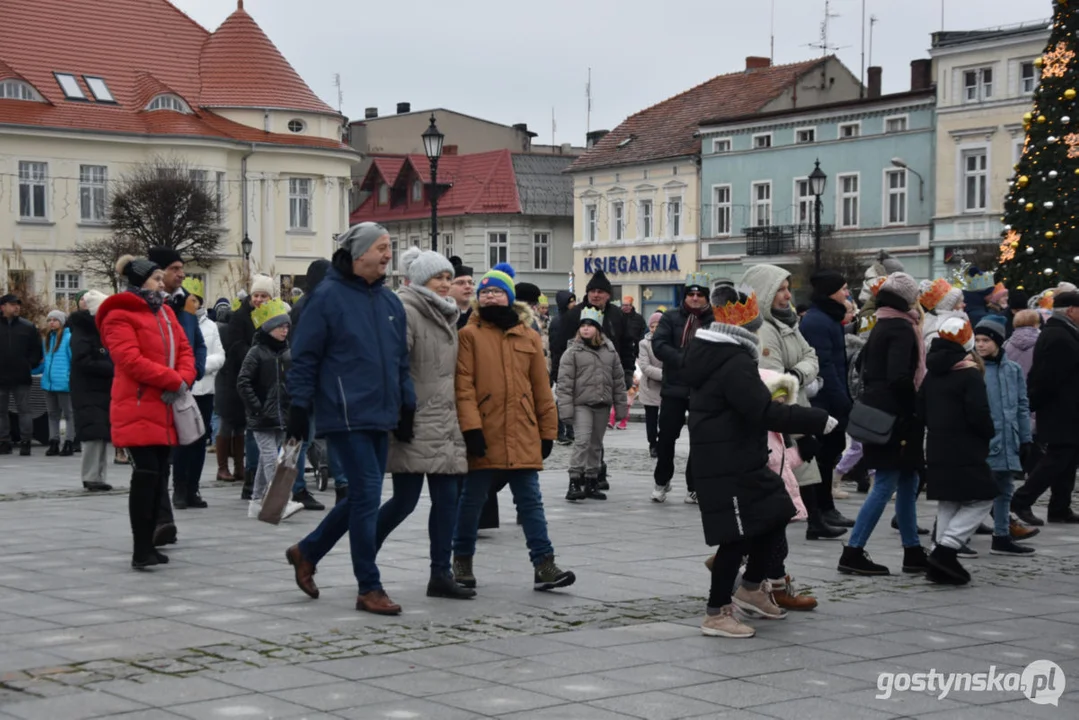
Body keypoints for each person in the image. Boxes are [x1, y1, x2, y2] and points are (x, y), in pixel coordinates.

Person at [682, 285, 834, 638]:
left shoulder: (725, 354)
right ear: (747, 329)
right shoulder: (732, 360)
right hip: (725, 459)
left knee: (776, 512)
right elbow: (761, 411)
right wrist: (815, 420)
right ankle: (716, 613)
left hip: (740, 455)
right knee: (735, 537)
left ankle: (751, 588)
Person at [284, 222, 416, 615]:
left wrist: (407, 405)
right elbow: (304, 359)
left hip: (381, 413)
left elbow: (400, 361)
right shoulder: (325, 298)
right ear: (358, 254)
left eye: (389, 246)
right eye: (381, 247)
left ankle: (306, 552)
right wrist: (298, 408)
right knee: (367, 497)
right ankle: (368, 587)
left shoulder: (391, 302)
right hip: (343, 412)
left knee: (362, 497)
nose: (388, 254)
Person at [452, 263, 575, 593]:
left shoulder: (529, 336)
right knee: (472, 502)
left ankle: (544, 566)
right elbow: (463, 388)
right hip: (485, 432)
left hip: (522, 431)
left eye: (497, 291)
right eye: (485, 291)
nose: (490, 296)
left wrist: (548, 431)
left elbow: (541, 388)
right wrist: (471, 429)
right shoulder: (468, 335)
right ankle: (461, 562)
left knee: (531, 502)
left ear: (509, 297)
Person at [377, 249, 474, 600]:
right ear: (421, 281)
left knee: (447, 499)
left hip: (443, 420)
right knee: (404, 501)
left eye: (449, 278)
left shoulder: (445, 313)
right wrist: (402, 412)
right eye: (439, 278)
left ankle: (440, 574)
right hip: (414, 418)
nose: (446, 284)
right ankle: (364, 559)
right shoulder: (407, 310)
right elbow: (395, 364)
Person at [97, 255, 196, 569]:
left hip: (165, 405)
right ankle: (141, 547)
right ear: (140, 282)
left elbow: (185, 350)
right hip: (137, 404)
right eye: (155, 278)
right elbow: (129, 360)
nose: (161, 282)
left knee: (158, 476)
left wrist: (183, 378)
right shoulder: (120, 315)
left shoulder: (165, 312)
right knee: (146, 475)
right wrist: (173, 379)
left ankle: (150, 545)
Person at [742, 264, 846, 538]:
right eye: (781, 290)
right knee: (790, 470)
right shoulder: (764, 329)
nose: (788, 296)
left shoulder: (787, 322)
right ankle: (788, 527)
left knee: (806, 469)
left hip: (798, 404)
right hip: (783, 416)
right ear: (765, 292)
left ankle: (815, 520)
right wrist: (799, 430)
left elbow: (812, 356)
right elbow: (775, 382)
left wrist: (797, 373)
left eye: (788, 289)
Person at [837, 273, 929, 576]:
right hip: (897, 418)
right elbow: (899, 377)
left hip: (885, 413)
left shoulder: (884, 323)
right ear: (907, 298)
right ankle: (853, 551)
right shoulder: (902, 328)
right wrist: (919, 403)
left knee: (907, 481)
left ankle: (913, 550)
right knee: (887, 482)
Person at [920, 318, 998, 584]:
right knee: (983, 497)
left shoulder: (933, 371)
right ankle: (947, 548)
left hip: (938, 444)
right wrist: (988, 432)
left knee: (950, 501)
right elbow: (978, 414)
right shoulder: (968, 373)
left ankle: (938, 559)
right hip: (965, 447)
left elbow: (921, 408)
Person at [1011, 290, 1079, 525]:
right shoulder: (1059, 336)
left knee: (1068, 459)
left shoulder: (1063, 332)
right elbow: (1047, 378)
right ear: (1071, 310)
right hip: (1061, 409)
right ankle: (1022, 499)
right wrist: (1035, 404)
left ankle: (1060, 508)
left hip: (1067, 409)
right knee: (1056, 459)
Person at [974, 316, 1037, 556]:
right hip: (986, 438)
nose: (981, 345)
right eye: (978, 340)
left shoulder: (1013, 369)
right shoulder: (975, 368)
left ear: (998, 342)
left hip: (1008, 438)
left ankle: (1001, 535)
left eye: (986, 340)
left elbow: (1022, 404)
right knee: (973, 490)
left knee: (1005, 489)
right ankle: (949, 535)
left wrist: (1025, 438)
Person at [237, 299, 303, 521]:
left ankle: (256, 502)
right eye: (280, 326)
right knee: (270, 459)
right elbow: (243, 382)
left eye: (286, 327)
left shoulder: (286, 354)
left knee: (272, 457)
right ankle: (279, 502)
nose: (285, 330)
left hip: (280, 416)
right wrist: (256, 408)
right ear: (268, 328)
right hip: (261, 417)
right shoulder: (256, 352)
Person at [650, 273, 713, 503]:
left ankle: (694, 486)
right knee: (666, 437)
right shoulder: (671, 317)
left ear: (706, 297)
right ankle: (662, 481)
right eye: (691, 294)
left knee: (699, 439)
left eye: (699, 294)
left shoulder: (714, 319)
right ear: (685, 296)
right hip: (674, 387)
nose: (695, 298)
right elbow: (659, 344)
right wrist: (683, 359)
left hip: (702, 388)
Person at [557, 307, 628, 501]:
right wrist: (566, 410)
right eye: (583, 325)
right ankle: (574, 480)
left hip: (602, 404)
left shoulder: (609, 351)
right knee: (582, 441)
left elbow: (618, 381)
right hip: (582, 404)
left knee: (596, 444)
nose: (586, 329)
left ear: (598, 329)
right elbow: (564, 384)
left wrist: (621, 407)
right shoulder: (572, 352)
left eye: (590, 325)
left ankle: (591, 480)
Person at [798, 270, 853, 521]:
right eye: (843, 288)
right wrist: (842, 398)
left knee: (831, 449)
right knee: (824, 452)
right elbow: (825, 364)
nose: (847, 293)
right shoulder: (817, 321)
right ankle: (821, 508)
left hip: (833, 395)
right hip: (824, 399)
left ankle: (824, 506)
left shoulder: (829, 318)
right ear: (831, 292)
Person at [219, 274, 274, 501]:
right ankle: (248, 475)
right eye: (256, 295)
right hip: (244, 379)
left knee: (263, 430)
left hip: (269, 382)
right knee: (246, 427)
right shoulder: (240, 317)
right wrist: (256, 358)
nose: (259, 299)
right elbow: (234, 346)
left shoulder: (275, 315)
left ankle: (252, 472)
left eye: (264, 295)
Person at [171, 278, 224, 509]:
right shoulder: (178, 320)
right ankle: (179, 487)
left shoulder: (211, 326)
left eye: (196, 299)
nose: (193, 302)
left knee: (200, 441)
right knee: (183, 440)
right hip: (184, 389)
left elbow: (219, 355)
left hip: (204, 390)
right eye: (190, 299)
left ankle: (194, 487)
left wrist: (199, 367)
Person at [288, 259, 333, 510]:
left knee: (303, 439)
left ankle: (295, 487)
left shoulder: (306, 304)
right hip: (308, 381)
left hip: (308, 379)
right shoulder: (311, 306)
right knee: (301, 439)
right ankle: (296, 489)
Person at [552, 270, 635, 397]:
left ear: (608, 295)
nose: (596, 295)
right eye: (592, 291)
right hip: (580, 382)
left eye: (600, 292)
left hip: (610, 380)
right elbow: (559, 347)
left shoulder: (617, 315)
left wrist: (628, 372)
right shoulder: (574, 315)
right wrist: (559, 376)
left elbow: (627, 346)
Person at [68, 290, 113, 491]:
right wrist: (110, 367)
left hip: (99, 389)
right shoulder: (83, 331)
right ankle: (91, 476)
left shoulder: (97, 330)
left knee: (101, 433)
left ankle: (98, 476)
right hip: (88, 389)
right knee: (93, 433)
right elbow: (82, 360)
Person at [0, 294, 43, 456]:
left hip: (21, 375)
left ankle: (26, 441)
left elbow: (36, 350)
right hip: (1, 375)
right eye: (12, 304)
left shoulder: (28, 327)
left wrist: (28, 364)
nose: (16, 307)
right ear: (2, 307)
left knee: (24, 410)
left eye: (18, 304)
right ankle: (3, 441)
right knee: (1, 411)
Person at [40, 310, 75, 457]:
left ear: (61, 322)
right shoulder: (48, 339)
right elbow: (45, 361)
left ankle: (69, 441)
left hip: (63, 382)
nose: (51, 322)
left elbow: (73, 359)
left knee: (68, 413)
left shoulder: (68, 338)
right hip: (49, 383)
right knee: (52, 413)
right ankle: (53, 440)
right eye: (49, 320)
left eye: (55, 320)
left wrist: (69, 376)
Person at [549, 290, 577, 445]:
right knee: (561, 401)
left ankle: (570, 431)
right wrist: (555, 371)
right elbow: (555, 349)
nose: (573, 304)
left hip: (573, 365)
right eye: (570, 301)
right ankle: (560, 432)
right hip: (561, 366)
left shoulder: (573, 319)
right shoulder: (558, 322)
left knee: (571, 400)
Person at [636, 312, 664, 458]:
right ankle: (653, 443)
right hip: (650, 386)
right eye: (652, 326)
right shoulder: (644, 344)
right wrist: (665, 375)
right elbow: (644, 366)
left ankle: (663, 443)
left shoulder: (670, 341)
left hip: (667, 387)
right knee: (651, 420)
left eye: (657, 326)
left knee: (666, 420)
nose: (654, 329)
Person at [449, 259, 475, 330]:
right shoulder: (441, 316)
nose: (467, 286)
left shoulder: (482, 315)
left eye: (470, 282)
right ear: (449, 287)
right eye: (460, 283)